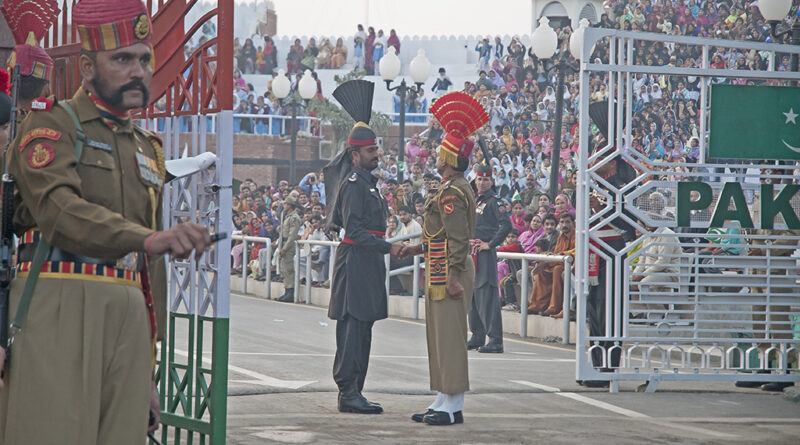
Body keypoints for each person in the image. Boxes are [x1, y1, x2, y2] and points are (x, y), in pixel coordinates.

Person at [0, 1, 213, 443]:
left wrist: (149, 372)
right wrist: (148, 238)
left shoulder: (148, 147)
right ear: (86, 66)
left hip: (129, 316)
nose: (138, 71)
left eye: (143, 59)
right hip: (60, 301)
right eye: (121, 59)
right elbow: (60, 213)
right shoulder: (50, 127)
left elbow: (149, 271)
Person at [403, 91, 488, 426]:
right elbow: (437, 234)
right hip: (439, 267)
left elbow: (455, 238)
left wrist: (453, 275)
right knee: (439, 337)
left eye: (441, 151)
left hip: (448, 270)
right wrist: (417, 249)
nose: (436, 155)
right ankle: (443, 398)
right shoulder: (451, 186)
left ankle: (453, 404)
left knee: (451, 338)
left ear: (450, 157)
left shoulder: (452, 191)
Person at [324, 79, 404, 414]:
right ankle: (348, 392)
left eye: (377, 149)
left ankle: (356, 391)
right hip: (356, 260)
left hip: (365, 261)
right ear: (356, 155)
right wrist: (389, 248)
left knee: (364, 328)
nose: (377, 154)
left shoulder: (368, 184)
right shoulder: (355, 184)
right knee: (353, 329)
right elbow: (355, 230)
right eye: (371, 151)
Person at [467, 164, 511, 353]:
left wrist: (491, 244)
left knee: (487, 294)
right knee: (472, 295)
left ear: (491, 181)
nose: (482, 182)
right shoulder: (475, 200)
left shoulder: (495, 201)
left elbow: (506, 226)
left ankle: (495, 340)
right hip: (471, 251)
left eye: (486, 179)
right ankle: (477, 335)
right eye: (479, 179)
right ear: (475, 180)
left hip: (484, 252)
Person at [527, 213, 576, 317]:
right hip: (559, 261)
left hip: (571, 264)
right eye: (562, 222)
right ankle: (537, 306)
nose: (564, 225)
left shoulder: (576, 234)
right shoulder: (561, 236)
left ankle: (555, 307)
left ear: (573, 223)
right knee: (541, 270)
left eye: (567, 222)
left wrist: (560, 255)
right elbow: (556, 252)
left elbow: (575, 251)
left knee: (557, 270)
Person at [276, 194, 301, 302]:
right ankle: (286, 291)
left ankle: (290, 293)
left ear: (290, 205)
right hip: (284, 242)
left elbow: (292, 235)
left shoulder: (294, 218)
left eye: (285, 204)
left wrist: (285, 248)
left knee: (289, 269)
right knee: (284, 269)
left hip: (289, 245)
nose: (284, 206)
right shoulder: (286, 216)